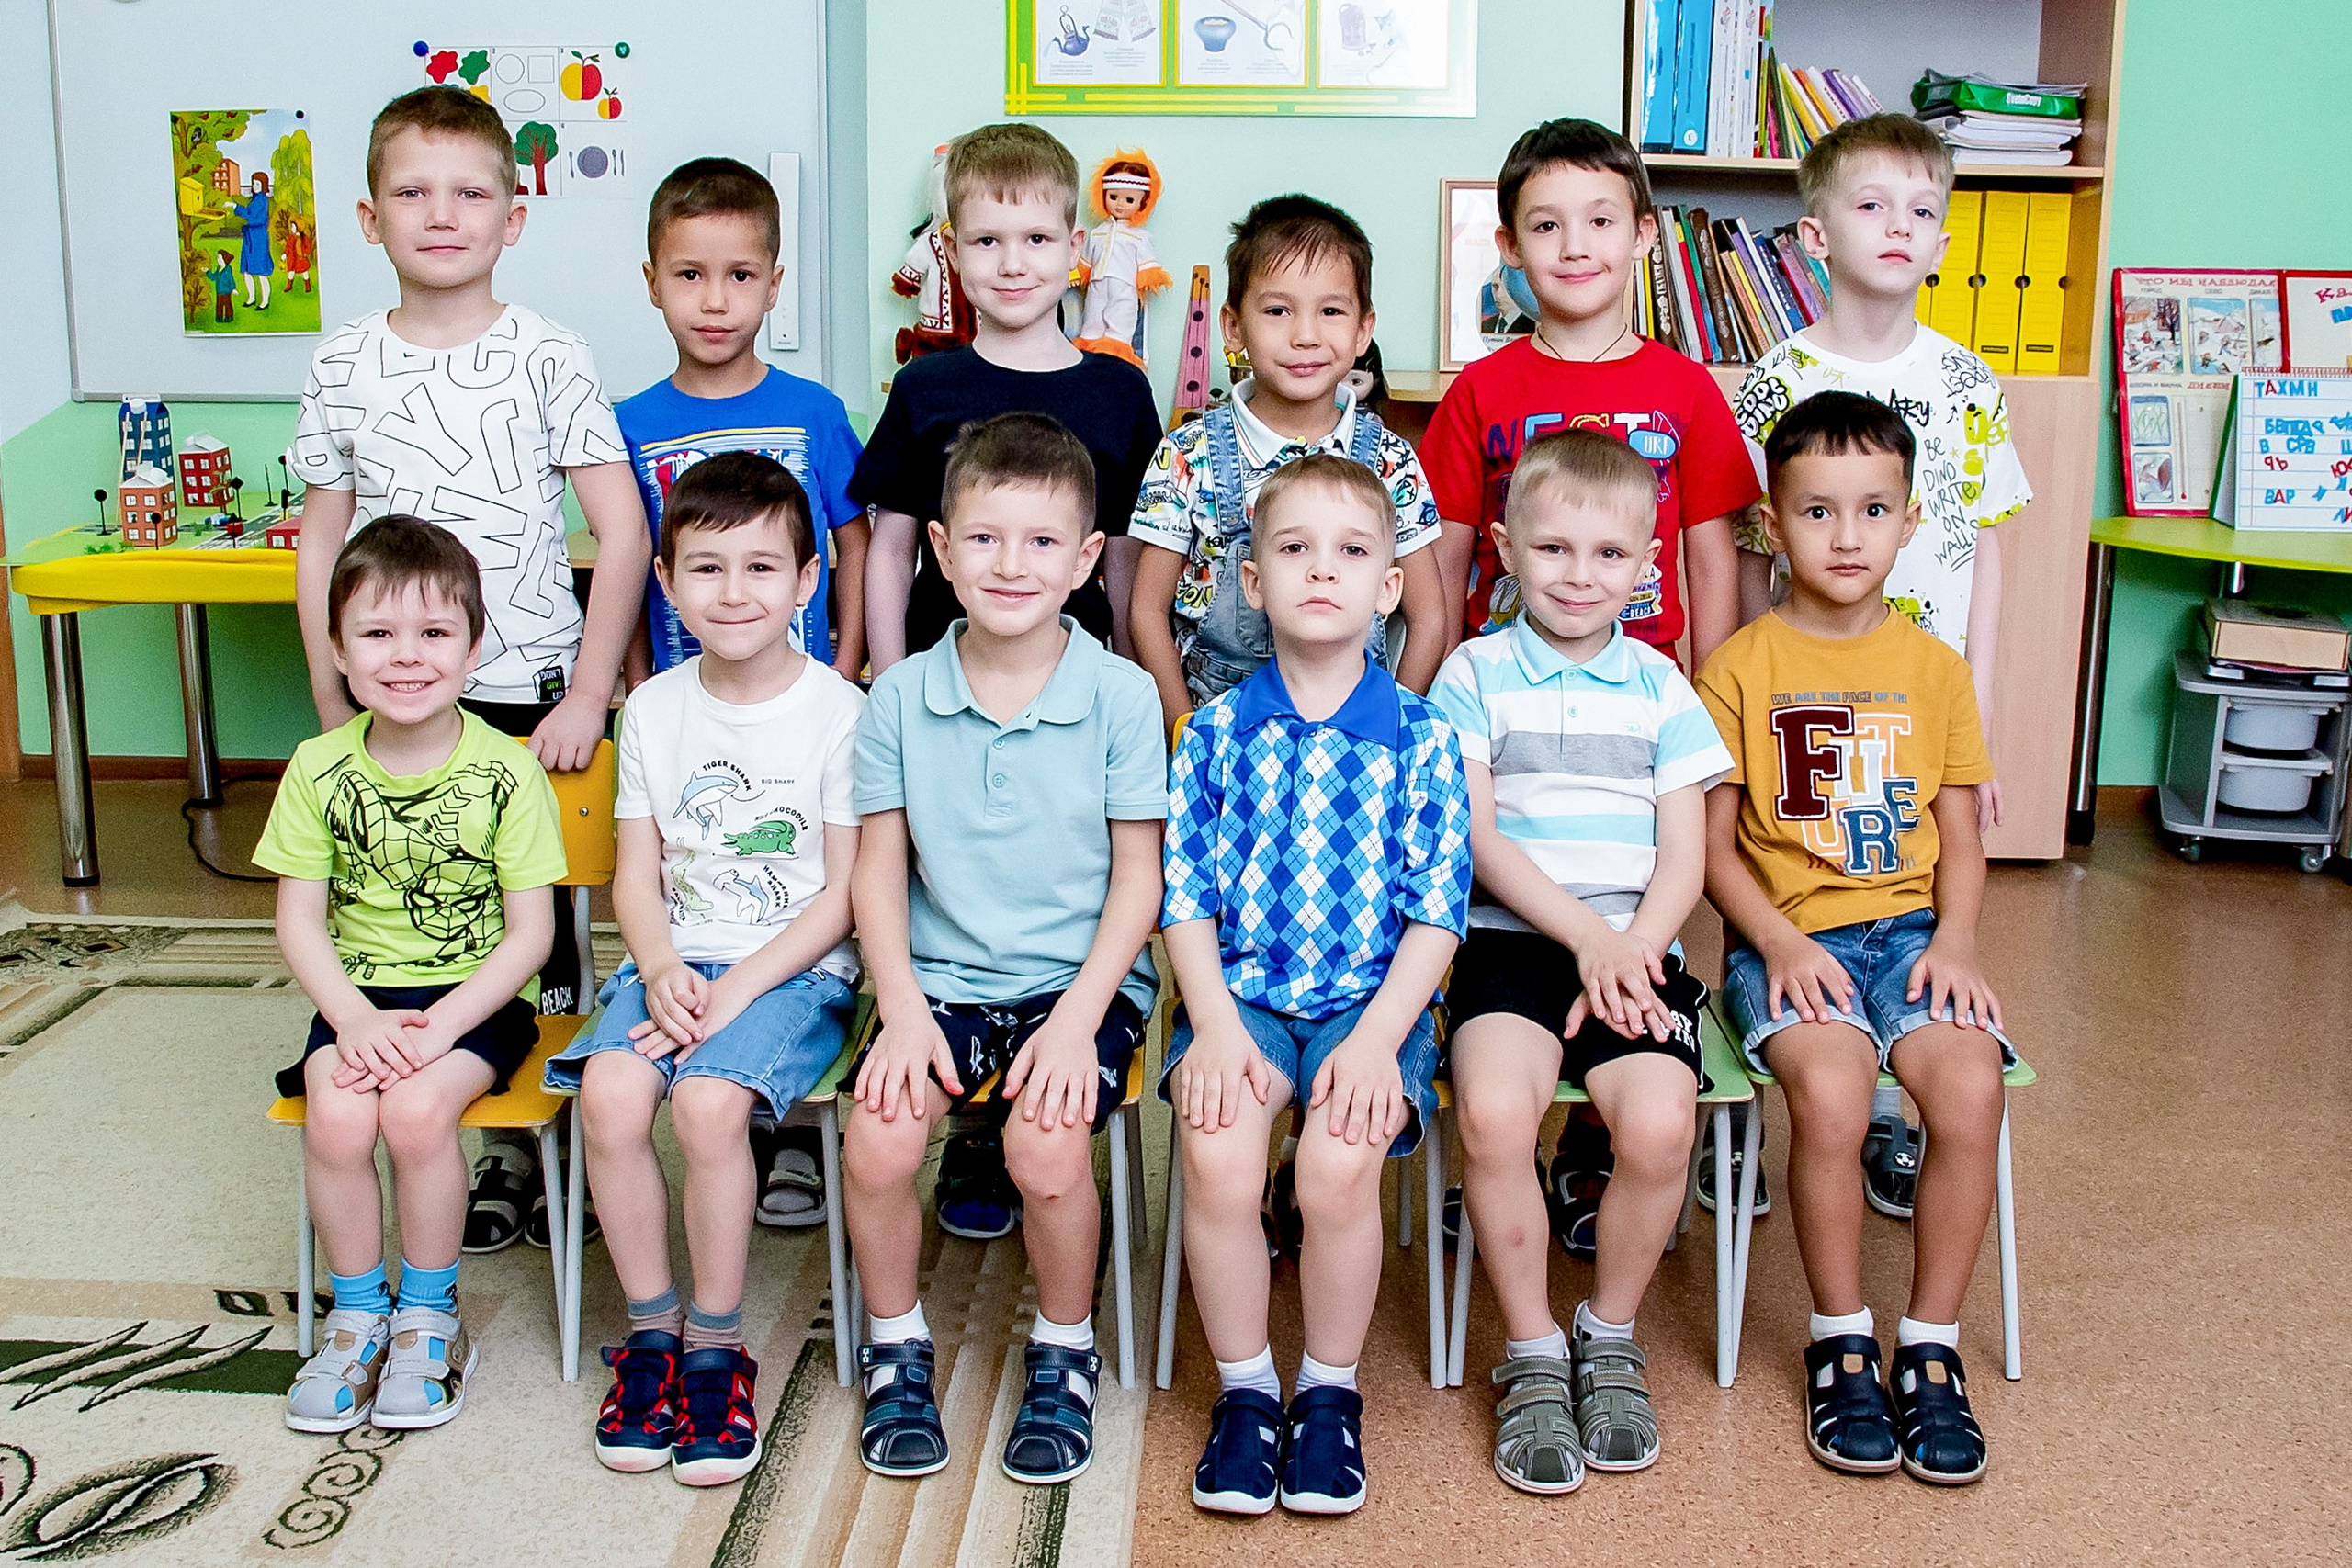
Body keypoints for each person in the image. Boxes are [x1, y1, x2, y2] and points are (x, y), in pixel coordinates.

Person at [289, 85, 651, 1251]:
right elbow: (320, 542)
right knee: (416, 911)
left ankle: (564, 1142)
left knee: (546, 922)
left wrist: (588, 692)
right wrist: (329, 696)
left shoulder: (548, 353)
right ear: (369, 218)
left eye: (470, 193)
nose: (441, 215)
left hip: (529, 691)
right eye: (412, 192)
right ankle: (483, 1147)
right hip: (392, 691)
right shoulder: (343, 361)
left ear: (513, 215)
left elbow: (622, 530)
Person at [1419, 116, 1760, 1239]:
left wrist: (1709, 690)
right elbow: (1446, 553)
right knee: (1515, 906)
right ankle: (1504, 1144)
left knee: (1634, 892)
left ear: (1645, 237)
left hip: (1641, 697)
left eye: (1602, 221)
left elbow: (1708, 551)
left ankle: (1594, 1149)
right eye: (1547, 226)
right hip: (1507, 698)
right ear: (1509, 248)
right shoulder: (1483, 389)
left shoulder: (1683, 387)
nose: (1575, 246)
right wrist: (1427, 692)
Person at [851, 121, 1164, 1237]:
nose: (1013, 261)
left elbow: (1124, 558)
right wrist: (885, 678)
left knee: (1050, 875)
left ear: (1076, 249)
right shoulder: (926, 383)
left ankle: (1039, 1092)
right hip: (941, 692)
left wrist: (1134, 678)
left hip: (1071, 696)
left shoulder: (1118, 392)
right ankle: (969, 1125)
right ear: (952, 250)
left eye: (1035, 238)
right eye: (985, 240)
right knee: (952, 882)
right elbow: (891, 544)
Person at [1698, 390, 2013, 1487]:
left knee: (1969, 1091)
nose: (1846, 536)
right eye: (1817, 511)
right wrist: (1778, 945)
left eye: (1873, 510)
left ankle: (1929, 1346)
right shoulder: (1737, 668)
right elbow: (1711, 850)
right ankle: (1839, 1338)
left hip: (1915, 934)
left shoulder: (1936, 669)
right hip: (1786, 939)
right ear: (1772, 524)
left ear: (1908, 521)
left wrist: (1956, 942)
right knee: (1832, 1098)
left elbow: (1961, 838)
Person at [844, 412, 1165, 1487]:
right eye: (983, 539)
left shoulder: (1121, 695)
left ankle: (1064, 1348)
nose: (1010, 565)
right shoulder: (898, 696)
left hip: (1081, 984)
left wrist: (1077, 1023)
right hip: (938, 978)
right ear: (939, 551)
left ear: (1085, 560)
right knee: (879, 1140)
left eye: (1041, 543)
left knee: (1043, 1147)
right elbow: (878, 870)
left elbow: (1139, 879)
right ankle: (896, 1346)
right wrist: (900, 1009)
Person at [1724, 113, 2033, 1221]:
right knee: (1785, 874)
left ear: (1943, 242)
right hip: (1797, 694)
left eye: (1920, 211)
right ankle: (1764, 1117)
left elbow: (1986, 549)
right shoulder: (1774, 378)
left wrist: (1977, 707)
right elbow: (1746, 550)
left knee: (1908, 875)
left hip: (1919, 700)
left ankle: (1893, 1117)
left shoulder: (1967, 380)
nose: (1898, 226)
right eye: (1870, 205)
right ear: (1814, 236)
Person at [545, 454, 864, 1487]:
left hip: (794, 971)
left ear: (807, 581)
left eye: (762, 568)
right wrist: (660, 966)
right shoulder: (652, 708)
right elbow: (634, 875)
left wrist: (736, 988)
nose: (734, 593)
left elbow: (844, 895)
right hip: (673, 960)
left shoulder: (840, 711)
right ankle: (652, 1335)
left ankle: (719, 1349)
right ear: (667, 583)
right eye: (707, 568)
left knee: (708, 1103)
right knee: (608, 1094)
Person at [1162, 453, 1471, 1517]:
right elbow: (1184, 899)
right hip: (1239, 1003)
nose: (1322, 571)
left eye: (1350, 552)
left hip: (1369, 1007)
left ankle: (1329, 1393)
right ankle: (1248, 1391)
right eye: (1294, 550)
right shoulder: (1211, 733)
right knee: (1217, 1155)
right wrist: (1211, 1028)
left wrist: (1379, 1040)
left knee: (1337, 1171)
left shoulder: (1423, 738)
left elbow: (1436, 913)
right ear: (1252, 582)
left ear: (1390, 586)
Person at [1426, 430, 1732, 1494]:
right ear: (1504, 548)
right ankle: (1530, 1349)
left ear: (1647, 565)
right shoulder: (1471, 673)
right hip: (1512, 942)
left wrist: (1632, 948)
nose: (1578, 575)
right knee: (1494, 1116)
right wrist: (1584, 939)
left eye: (1608, 555)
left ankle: (1607, 1335)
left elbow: (1685, 855)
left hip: (1634, 949)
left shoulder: (1662, 686)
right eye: (1552, 549)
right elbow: (1478, 840)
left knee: (1658, 1127)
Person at [262, 517, 566, 1436]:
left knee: (417, 1111)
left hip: (476, 1004)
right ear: (338, 650)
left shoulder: (509, 771)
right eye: (377, 633)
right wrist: (354, 1020)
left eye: (434, 633)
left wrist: (440, 1028)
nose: (406, 656)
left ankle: (430, 1314)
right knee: (338, 1113)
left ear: (473, 650)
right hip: (358, 1003)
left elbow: (531, 938)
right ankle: (358, 1317)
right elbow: (298, 921)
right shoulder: (317, 769)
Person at [1128, 195, 1449, 728]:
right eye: (1278, 311)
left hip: (1353, 740)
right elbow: (1146, 610)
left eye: (1331, 311)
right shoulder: (1187, 454)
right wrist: (1184, 733)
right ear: (1233, 326)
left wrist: (1389, 728)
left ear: (1363, 329)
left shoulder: (1390, 460)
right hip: (1220, 738)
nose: (1305, 336)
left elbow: (1430, 618)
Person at [619, 156, 870, 689]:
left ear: (773, 286)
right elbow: (628, 564)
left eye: (741, 276)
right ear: (653, 283)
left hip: (802, 694)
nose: (715, 302)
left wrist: (846, 667)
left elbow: (855, 543)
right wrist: (639, 684)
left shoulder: (815, 412)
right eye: (690, 275)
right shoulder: (628, 427)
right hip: (681, 699)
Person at [233, 172, 274, 312]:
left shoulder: (263, 200)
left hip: (259, 239)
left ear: (264, 185)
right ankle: (251, 297)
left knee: (261, 272)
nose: (254, 186)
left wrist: (237, 208)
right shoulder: (255, 199)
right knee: (247, 270)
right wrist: (236, 207)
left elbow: (257, 219)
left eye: (258, 184)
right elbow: (249, 214)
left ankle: (265, 301)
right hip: (250, 239)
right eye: (253, 183)